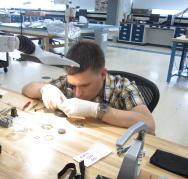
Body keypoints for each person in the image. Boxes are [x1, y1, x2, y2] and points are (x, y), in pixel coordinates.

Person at [22, 41, 155, 135]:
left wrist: (97, 110)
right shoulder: (69, 82)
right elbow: (27, 88)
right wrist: (44, 89)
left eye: (85, 85)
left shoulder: (123, 87)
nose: (78, 93)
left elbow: (149, 125)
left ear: (103, 74)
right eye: (74, 86)